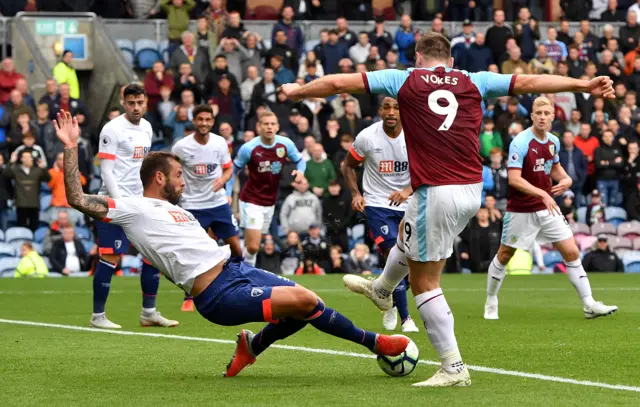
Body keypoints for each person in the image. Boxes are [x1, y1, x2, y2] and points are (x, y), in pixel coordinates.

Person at [281, 31, 616, 387]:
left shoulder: (404, 78)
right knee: (405, 237)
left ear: (418, 59)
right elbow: (531, 80)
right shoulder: (475, 80)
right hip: (472, 189)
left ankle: (452, 367)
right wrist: (582, 84)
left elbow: (336, 83)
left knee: (425, 281)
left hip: (437, 191)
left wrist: (297, 91)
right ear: (451, 61)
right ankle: (381, 289)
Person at [53, 109, 410, 377]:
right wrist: (71, 147)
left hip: (236, 271)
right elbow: (77, 198)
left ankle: (252, 346)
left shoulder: (182, 211)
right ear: (159, 177)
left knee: (308, 301)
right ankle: (376, 343)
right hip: (217, 295)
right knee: (303, 301)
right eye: (179, 176)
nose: (185, 182)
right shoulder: (133, 208)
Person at [485, 97, 617, 321]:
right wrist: (543, 193)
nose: (543, 116)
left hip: (547, 208)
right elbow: (515, 179)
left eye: (547, 113)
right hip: (521, 209)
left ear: (553, 116)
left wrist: (565, 179)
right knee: (505, 254)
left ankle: (588, 304)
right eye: (539, 112)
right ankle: (491, 300)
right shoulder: (521, 141)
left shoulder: (553, 141)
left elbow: (554, 168)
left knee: (572, 251)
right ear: (532, 116)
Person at [93, 84, 178, 330]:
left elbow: (141, 168)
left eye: (140, 102)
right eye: (131, 103)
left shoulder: (148, 128)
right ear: (124, 102)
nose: (136, 107)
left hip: (141, 201)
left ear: (145, 102)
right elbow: (106, 170)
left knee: (153, 254)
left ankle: (148, 313)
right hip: (114, 202)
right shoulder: (112, 129)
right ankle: (98, 317)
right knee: (110, 257)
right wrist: (119, 202)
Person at [341, 96, 417, 334]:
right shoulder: (367, 137)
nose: (392, 111)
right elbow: (348, 166)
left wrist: (406, 191)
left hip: (409, 204)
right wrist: (355, 194)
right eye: (387, 107)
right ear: (380, 111)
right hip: (377, 204)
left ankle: (384, 296)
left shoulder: (416, 136)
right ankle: (405, 318)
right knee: (393, 252)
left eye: (397, 106)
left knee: (410, 264)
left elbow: (426, 171)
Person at [172, 104, 242, 312]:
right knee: (194, 251)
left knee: (235, 247)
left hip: (218, 203)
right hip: (192, 205)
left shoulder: (220, 143)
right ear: (194, 121)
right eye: (200, 119)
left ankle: (241, 284)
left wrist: (223, 180)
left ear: (213, 122)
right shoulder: (181, 147)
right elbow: (173, 171)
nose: (204, 123)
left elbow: (229, 169)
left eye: (207, 120)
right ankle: (188, 297)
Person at [232, 112, 306, 267]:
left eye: (273, 124)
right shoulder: (249, 148)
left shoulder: (285, 144)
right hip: (251, 200)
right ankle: (246, 275)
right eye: (266, 124)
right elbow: (233, 169)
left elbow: (300, 161)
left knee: (254, 245)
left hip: (270, 202)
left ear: (277, 126)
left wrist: (301, 172)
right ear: (259, 127)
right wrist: (227, 193)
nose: (269, 127)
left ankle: (238, 266)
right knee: (253, 245)